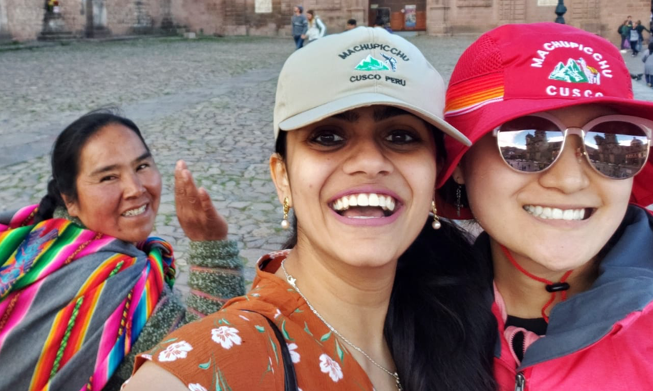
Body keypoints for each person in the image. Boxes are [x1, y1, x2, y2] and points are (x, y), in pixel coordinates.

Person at [127, 27, 498, 391]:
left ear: (435, 171)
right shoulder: (211, 366)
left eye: (401, 136)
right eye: (328, 137)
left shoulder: (456, 324)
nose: (369, 162)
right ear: (282, 176)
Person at [0, 110, 246, 391]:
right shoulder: (120, 283)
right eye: (108, 176)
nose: (135, 189)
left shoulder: (30, 238)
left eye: (142, 166)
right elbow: (210, 365)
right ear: (70, 200)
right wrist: (211, 245)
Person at [437, 23, 653, 390]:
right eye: (527, 140)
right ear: (461, 163)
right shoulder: (406, 312)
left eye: (613, 141)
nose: (569, 180)